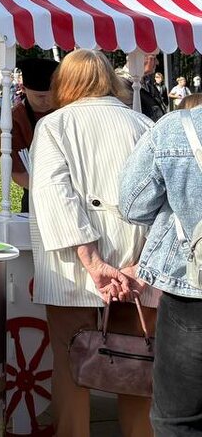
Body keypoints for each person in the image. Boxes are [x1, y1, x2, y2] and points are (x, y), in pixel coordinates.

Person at [29, 49, 156, 437]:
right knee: (138, 364)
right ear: (109, 80)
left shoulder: (54, 125)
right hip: (136, 261)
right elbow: (163, 201)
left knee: (72, 365)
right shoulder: (144, 124)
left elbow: (55, 195)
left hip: (72, 265)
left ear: (63, 82)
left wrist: (93, 261)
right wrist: (140, 263)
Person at [120, 96, 202, 435]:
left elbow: (133, 205)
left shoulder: (177, 128)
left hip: (191, 288)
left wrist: (179, 206)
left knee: (177, 418)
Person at [4, 57, 58, 214]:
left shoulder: (65, 112)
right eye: (39, 96)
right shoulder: (14, 120)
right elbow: (16, 171)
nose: (46, 101)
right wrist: (47, 190)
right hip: (35, 190)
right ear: (23, 89)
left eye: (51, 95)